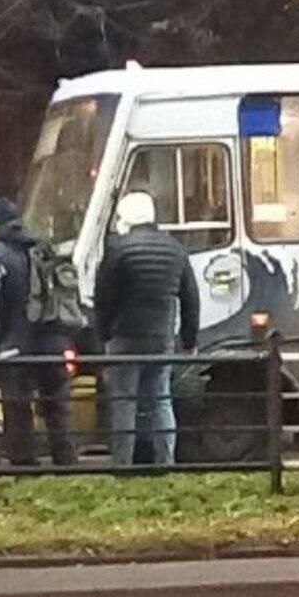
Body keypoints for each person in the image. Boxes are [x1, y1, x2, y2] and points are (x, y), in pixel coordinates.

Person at [0, 198, 76, 467]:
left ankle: (24, 462)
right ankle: (66, 459)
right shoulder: (42, 248)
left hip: (14, 343)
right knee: (56, 403)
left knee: (17, 406)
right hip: (52, 339)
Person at [94, 192, 200, 467]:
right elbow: (190, 298)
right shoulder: (175, 249)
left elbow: (104, 298)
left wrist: (103, 334)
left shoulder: (118, 250)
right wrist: (189, 340)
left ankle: (123, 465)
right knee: (161, 401)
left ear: (127, 218)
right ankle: (166, 461)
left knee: (124, 402)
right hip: (161, 339)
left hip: (125, 339)